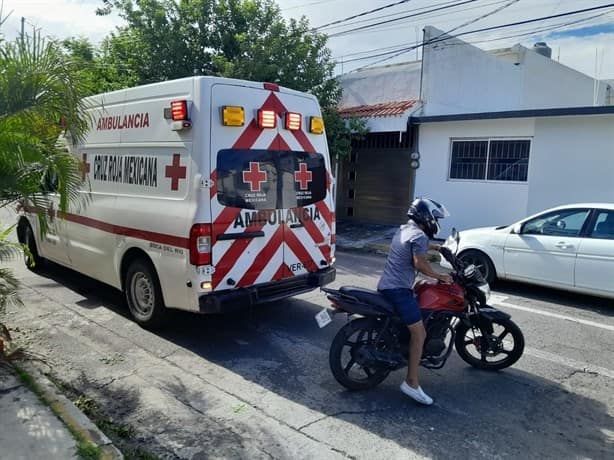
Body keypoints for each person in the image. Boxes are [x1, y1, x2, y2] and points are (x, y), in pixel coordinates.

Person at [377, 197, 452, 405]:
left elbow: (412, 248)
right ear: (426, 217)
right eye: (435, 218)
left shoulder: (404, 230)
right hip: (399, 290)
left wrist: (434, 248)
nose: (436, 222)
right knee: (420, 334)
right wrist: (441, 276)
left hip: (387, 286)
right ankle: (411, 382)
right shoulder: (418, 236)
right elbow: (420, 264)